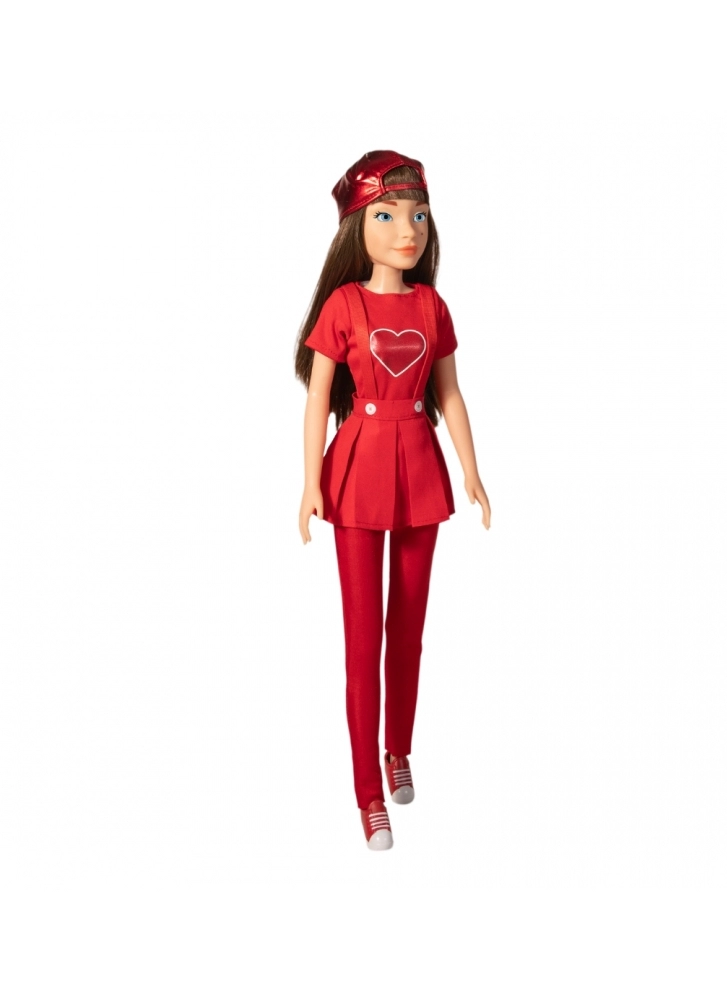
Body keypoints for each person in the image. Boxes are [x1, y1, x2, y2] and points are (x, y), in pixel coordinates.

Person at [294, 150, 490, 850]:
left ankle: (397, 749)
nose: (407, 230)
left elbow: (450, 393)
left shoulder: (432, 306)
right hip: (356, 471)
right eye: (387, 215)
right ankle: (367, 794)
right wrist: (310, 480)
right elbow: (318, 396)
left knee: (408, 627)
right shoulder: (343, 305)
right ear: (358, 226)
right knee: (362, 637)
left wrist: (471, 471)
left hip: (419, 468)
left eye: (418, 215)